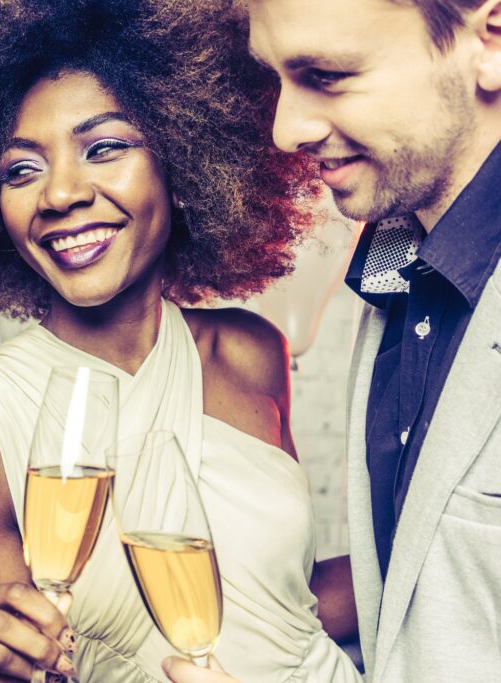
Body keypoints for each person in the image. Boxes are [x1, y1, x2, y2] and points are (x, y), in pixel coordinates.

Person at [0, 0, 360, 681]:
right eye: (21, 170)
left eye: (103, 148)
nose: (60, 193)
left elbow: (283, 600)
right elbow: (24, 660)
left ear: (185, 156)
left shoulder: (249, 352)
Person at [164, 0, 501, 682]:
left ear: (490, 41)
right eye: (277, 78)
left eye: (328, 74)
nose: (285, 130)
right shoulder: (395, 268)